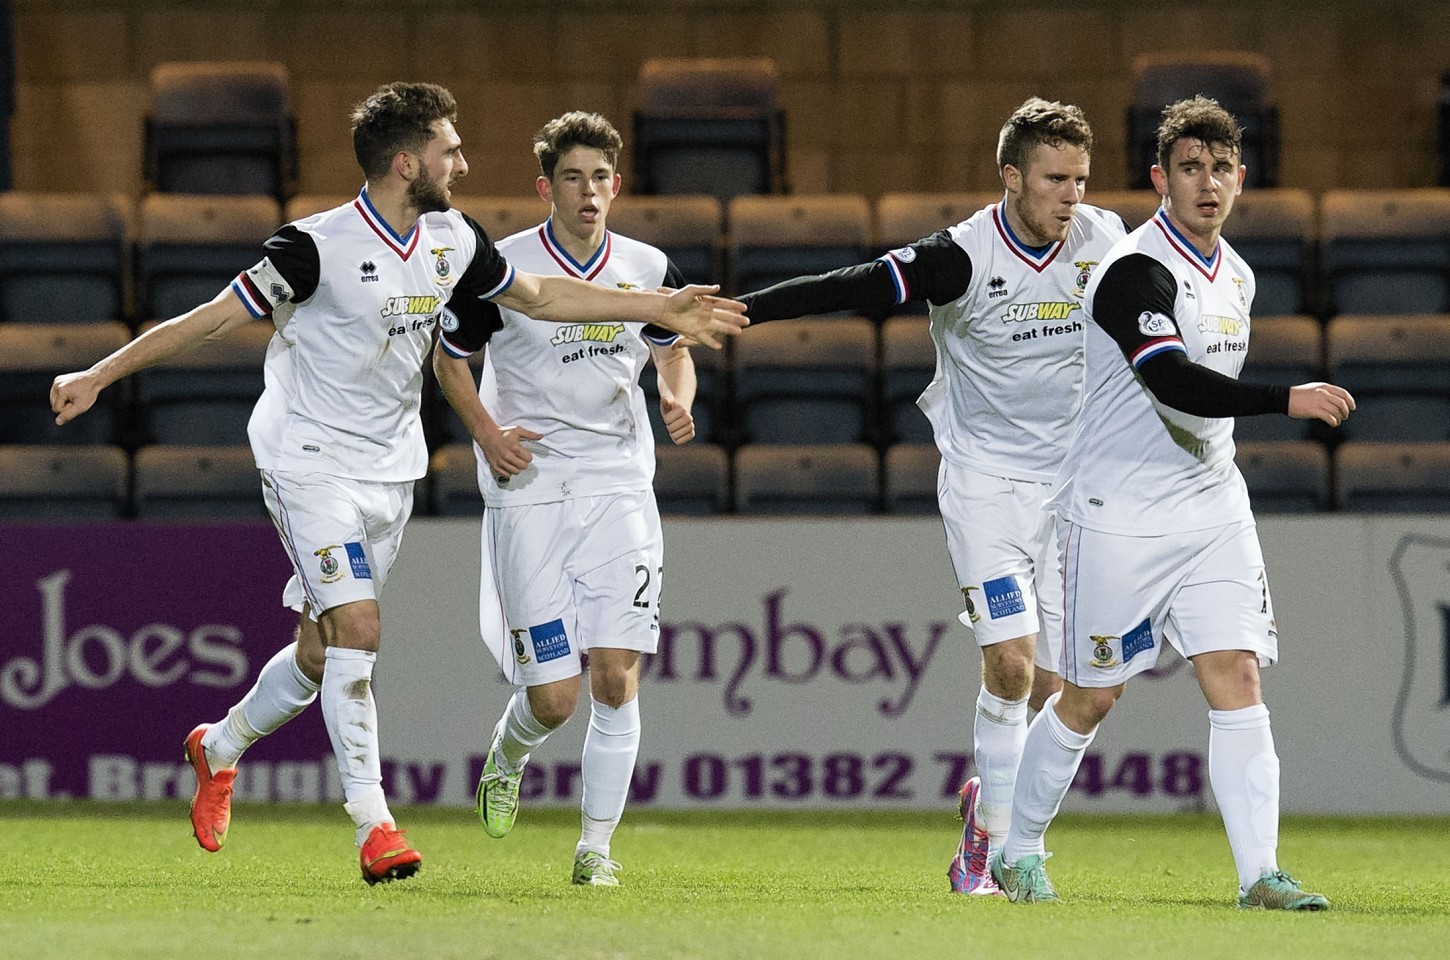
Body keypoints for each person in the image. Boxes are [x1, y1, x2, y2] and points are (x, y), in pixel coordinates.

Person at [48, 82, 746, 885]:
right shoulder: (311, 247)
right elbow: (208, 318)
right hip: (306, 459)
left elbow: (545, 296)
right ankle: (373, 827)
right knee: (360, 628)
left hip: (389, 469)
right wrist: (100, 373)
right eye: (451, 149)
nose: (464, 160)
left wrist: (663, 307)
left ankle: (220, 744)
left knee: (316, 655)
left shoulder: (452, 237)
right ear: (408, 161)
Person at [733, 97, 1126, 896]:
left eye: (1081, 180)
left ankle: (990, 798)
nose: (1071, 197)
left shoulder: (1107, 240)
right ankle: (999, 852)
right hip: (986, 483)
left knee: (1060, 691)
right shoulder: (964, 256)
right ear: (1011, 177)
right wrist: (746, 309)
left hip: (1076, 492)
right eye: (1055, 179)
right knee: (1012, 668)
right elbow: (856, 284)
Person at [989, 96, 1351, 910]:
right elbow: (1172, 380)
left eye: (1222, 168)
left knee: (1236, 674)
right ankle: (1017, 848)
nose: (1208, 183)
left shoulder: (1241, 274)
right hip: (1117, 510)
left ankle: (1261, 873)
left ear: (1241, 178)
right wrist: (1287, 400)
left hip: (1213, 506)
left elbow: (1200, 408)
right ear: (1160, 178)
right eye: (1190, 168)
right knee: (1089, 698)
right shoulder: (1134, 272)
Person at [432, 111, 697, 888]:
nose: (590, 193)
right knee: (551, 698)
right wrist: (486, 434)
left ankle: (596, 850)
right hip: (532, 486)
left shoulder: (647, 264)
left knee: (616, 673)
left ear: (619, 185)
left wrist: (678, 397)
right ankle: (507, 756)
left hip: (618, 484)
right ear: (547, 186)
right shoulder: (502, 269)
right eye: (574, 178)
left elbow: (673, 345)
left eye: (602, 178)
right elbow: (450, 359)